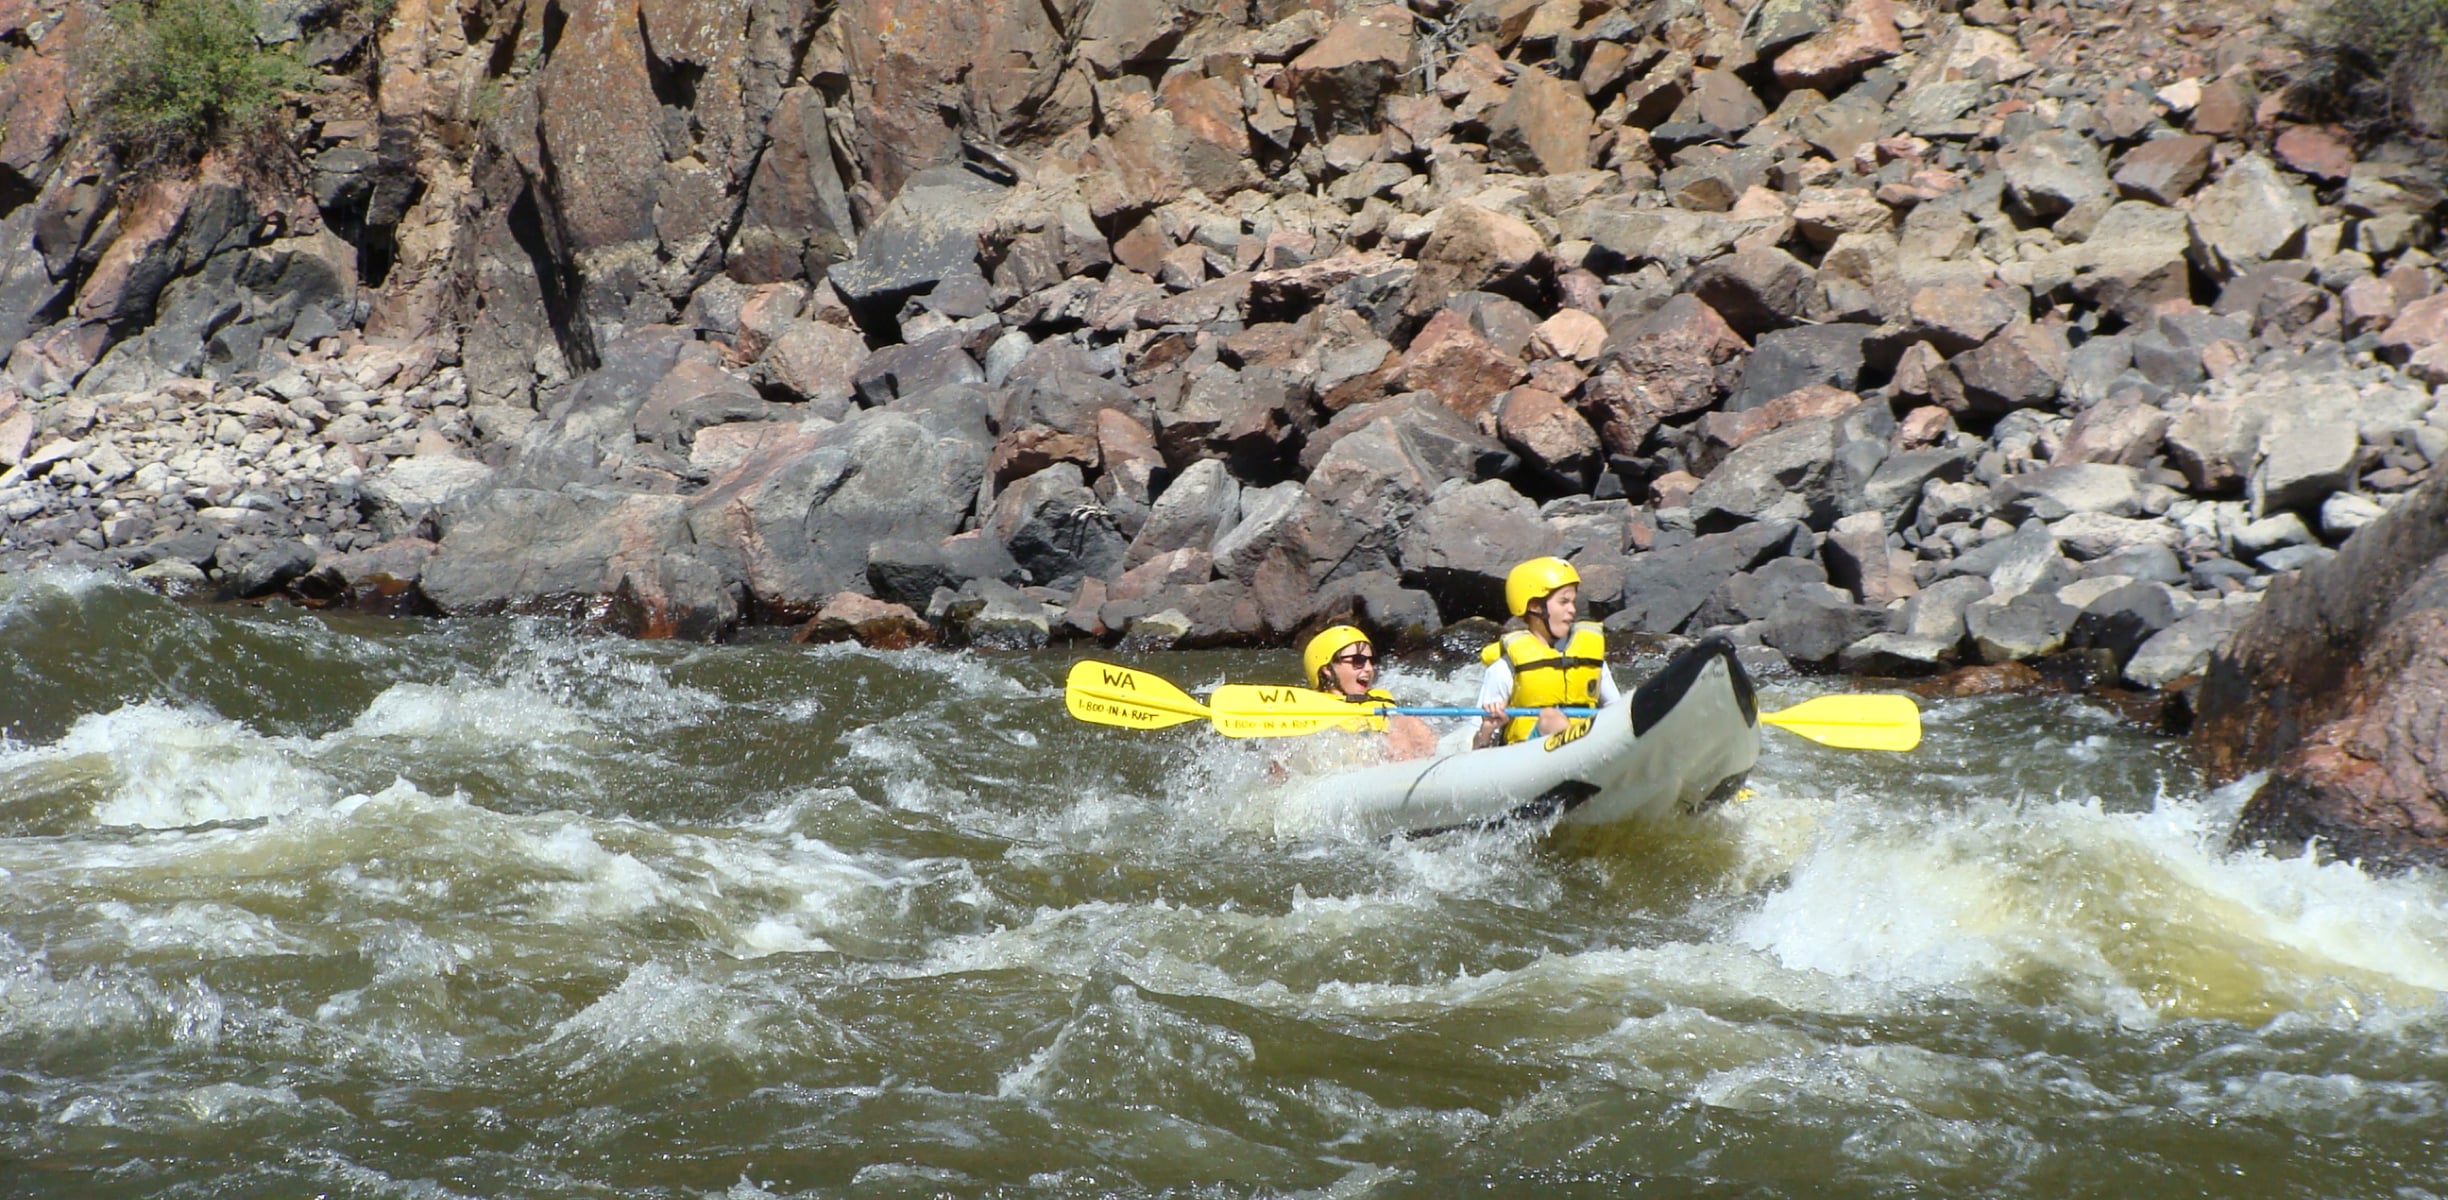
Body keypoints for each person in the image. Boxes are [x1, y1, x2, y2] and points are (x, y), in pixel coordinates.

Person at [1474, 557, 1622, 748]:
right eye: (1563, 602)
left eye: (1573, 602)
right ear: (1535, 606)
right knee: (1550, 717)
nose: (1572, 610)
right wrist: (1487, 729)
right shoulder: (1505, 666)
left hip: (1589, 747)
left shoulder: (1591, 657)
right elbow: (1474, 749)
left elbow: (1616, 713)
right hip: (1525, 757)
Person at [1303, 625, 1439, 762]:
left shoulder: (1380, 698)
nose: (1369, 668)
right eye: (1358, 661)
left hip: (1389, 758)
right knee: (1396, 737)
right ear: (1327, 669)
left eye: (1371, 661)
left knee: (1411, 723)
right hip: (1352, 761)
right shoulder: (1311, 708)